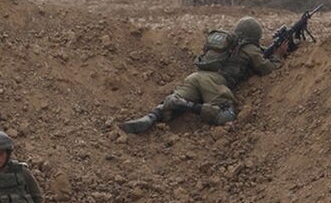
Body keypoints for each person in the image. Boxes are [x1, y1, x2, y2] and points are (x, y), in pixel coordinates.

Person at [120, 16, 286, 134]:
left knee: (171, 102)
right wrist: (279, 55)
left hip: (196, 76)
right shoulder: (250, 49)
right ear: (255, 35)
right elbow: (268, 69)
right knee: (225, 115)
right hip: (214, 82)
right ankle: (189, 106)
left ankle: (150, 117)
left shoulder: (229, 44)